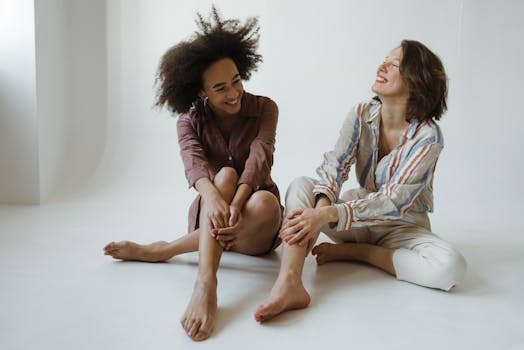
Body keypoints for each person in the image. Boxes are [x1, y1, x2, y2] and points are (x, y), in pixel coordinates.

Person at [254, 40, 467, 323]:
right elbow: (335, 166)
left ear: (417, 81)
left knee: (451, 268)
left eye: (394, 65)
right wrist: (319, 212)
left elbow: (393, 202)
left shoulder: (428, 137)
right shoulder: (361, 113)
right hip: (355, 217)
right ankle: (290, 282)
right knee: (301, 186)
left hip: (403, 227)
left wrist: (328, 215)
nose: (381, 67)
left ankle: (361, 254)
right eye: (385, 60)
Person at [103, 7, 282, 341]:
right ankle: (206, 283)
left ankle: (164, 250)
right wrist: (215, 198)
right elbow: (194, 164)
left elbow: (260, 158)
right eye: (219, 88)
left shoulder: (265, 108)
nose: (233, 94)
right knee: (224, 176)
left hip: (255, 222)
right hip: (210, 215)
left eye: (237, 81)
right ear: (200, 92)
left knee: (267, 204)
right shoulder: (188, 121)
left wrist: (236, 202)